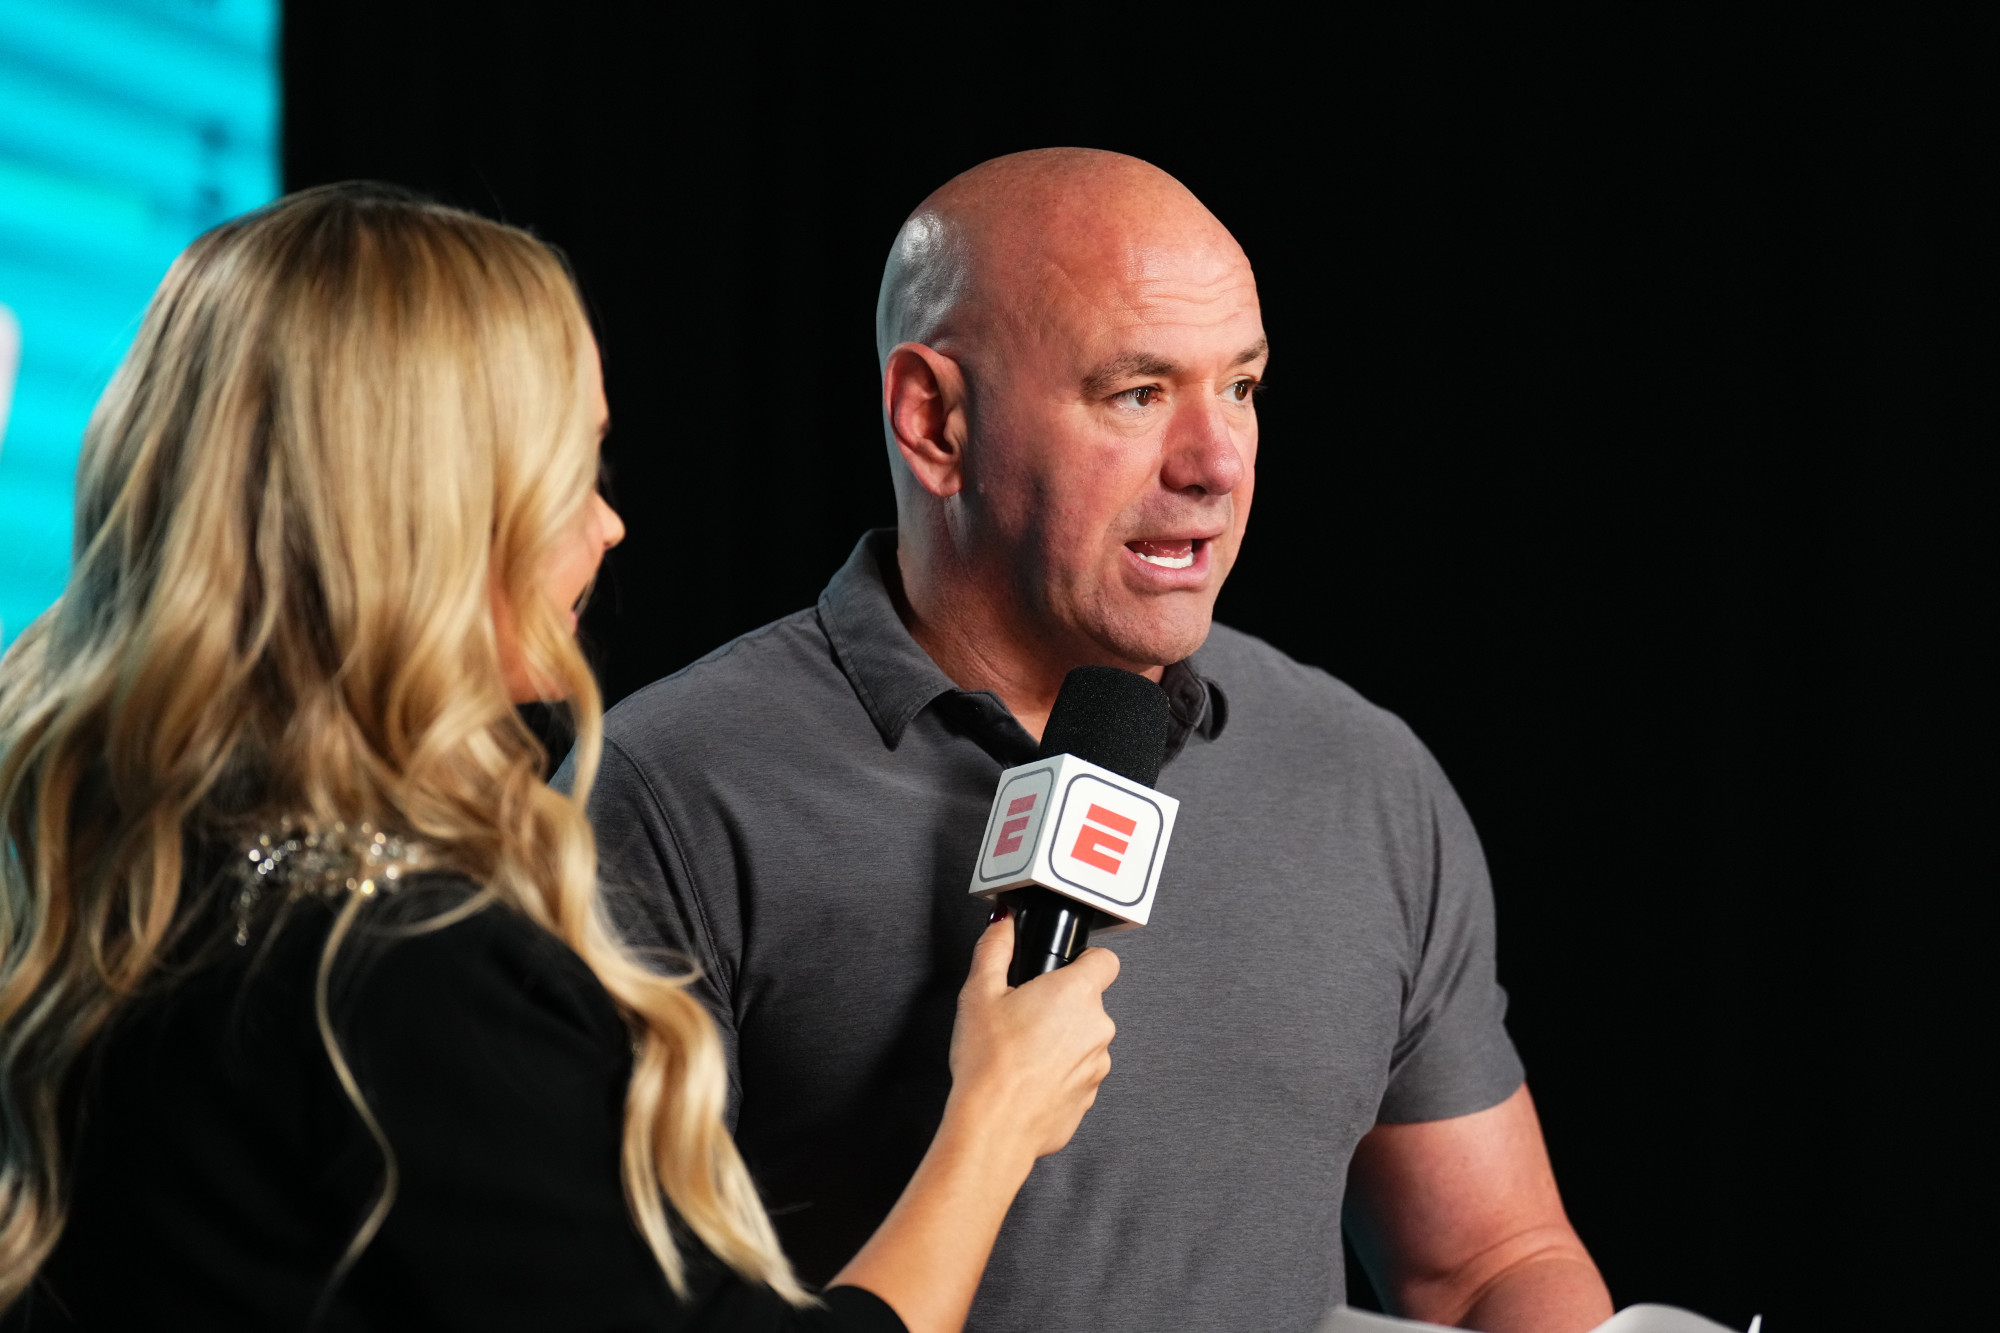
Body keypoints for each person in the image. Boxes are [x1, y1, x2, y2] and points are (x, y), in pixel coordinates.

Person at [0, 183, 1119, 1333]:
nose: (607, 525)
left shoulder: (114, 873)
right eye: (572, 471)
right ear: (425, 509)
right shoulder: (399, 971)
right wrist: (993, 1121)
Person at [577, 149, 1616, 1333]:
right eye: (1136, 393)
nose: (1216, 463)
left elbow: (1484, 1261)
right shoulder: (663, 798)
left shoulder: (1363, 775)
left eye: (1241, 386)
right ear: (934, 421)